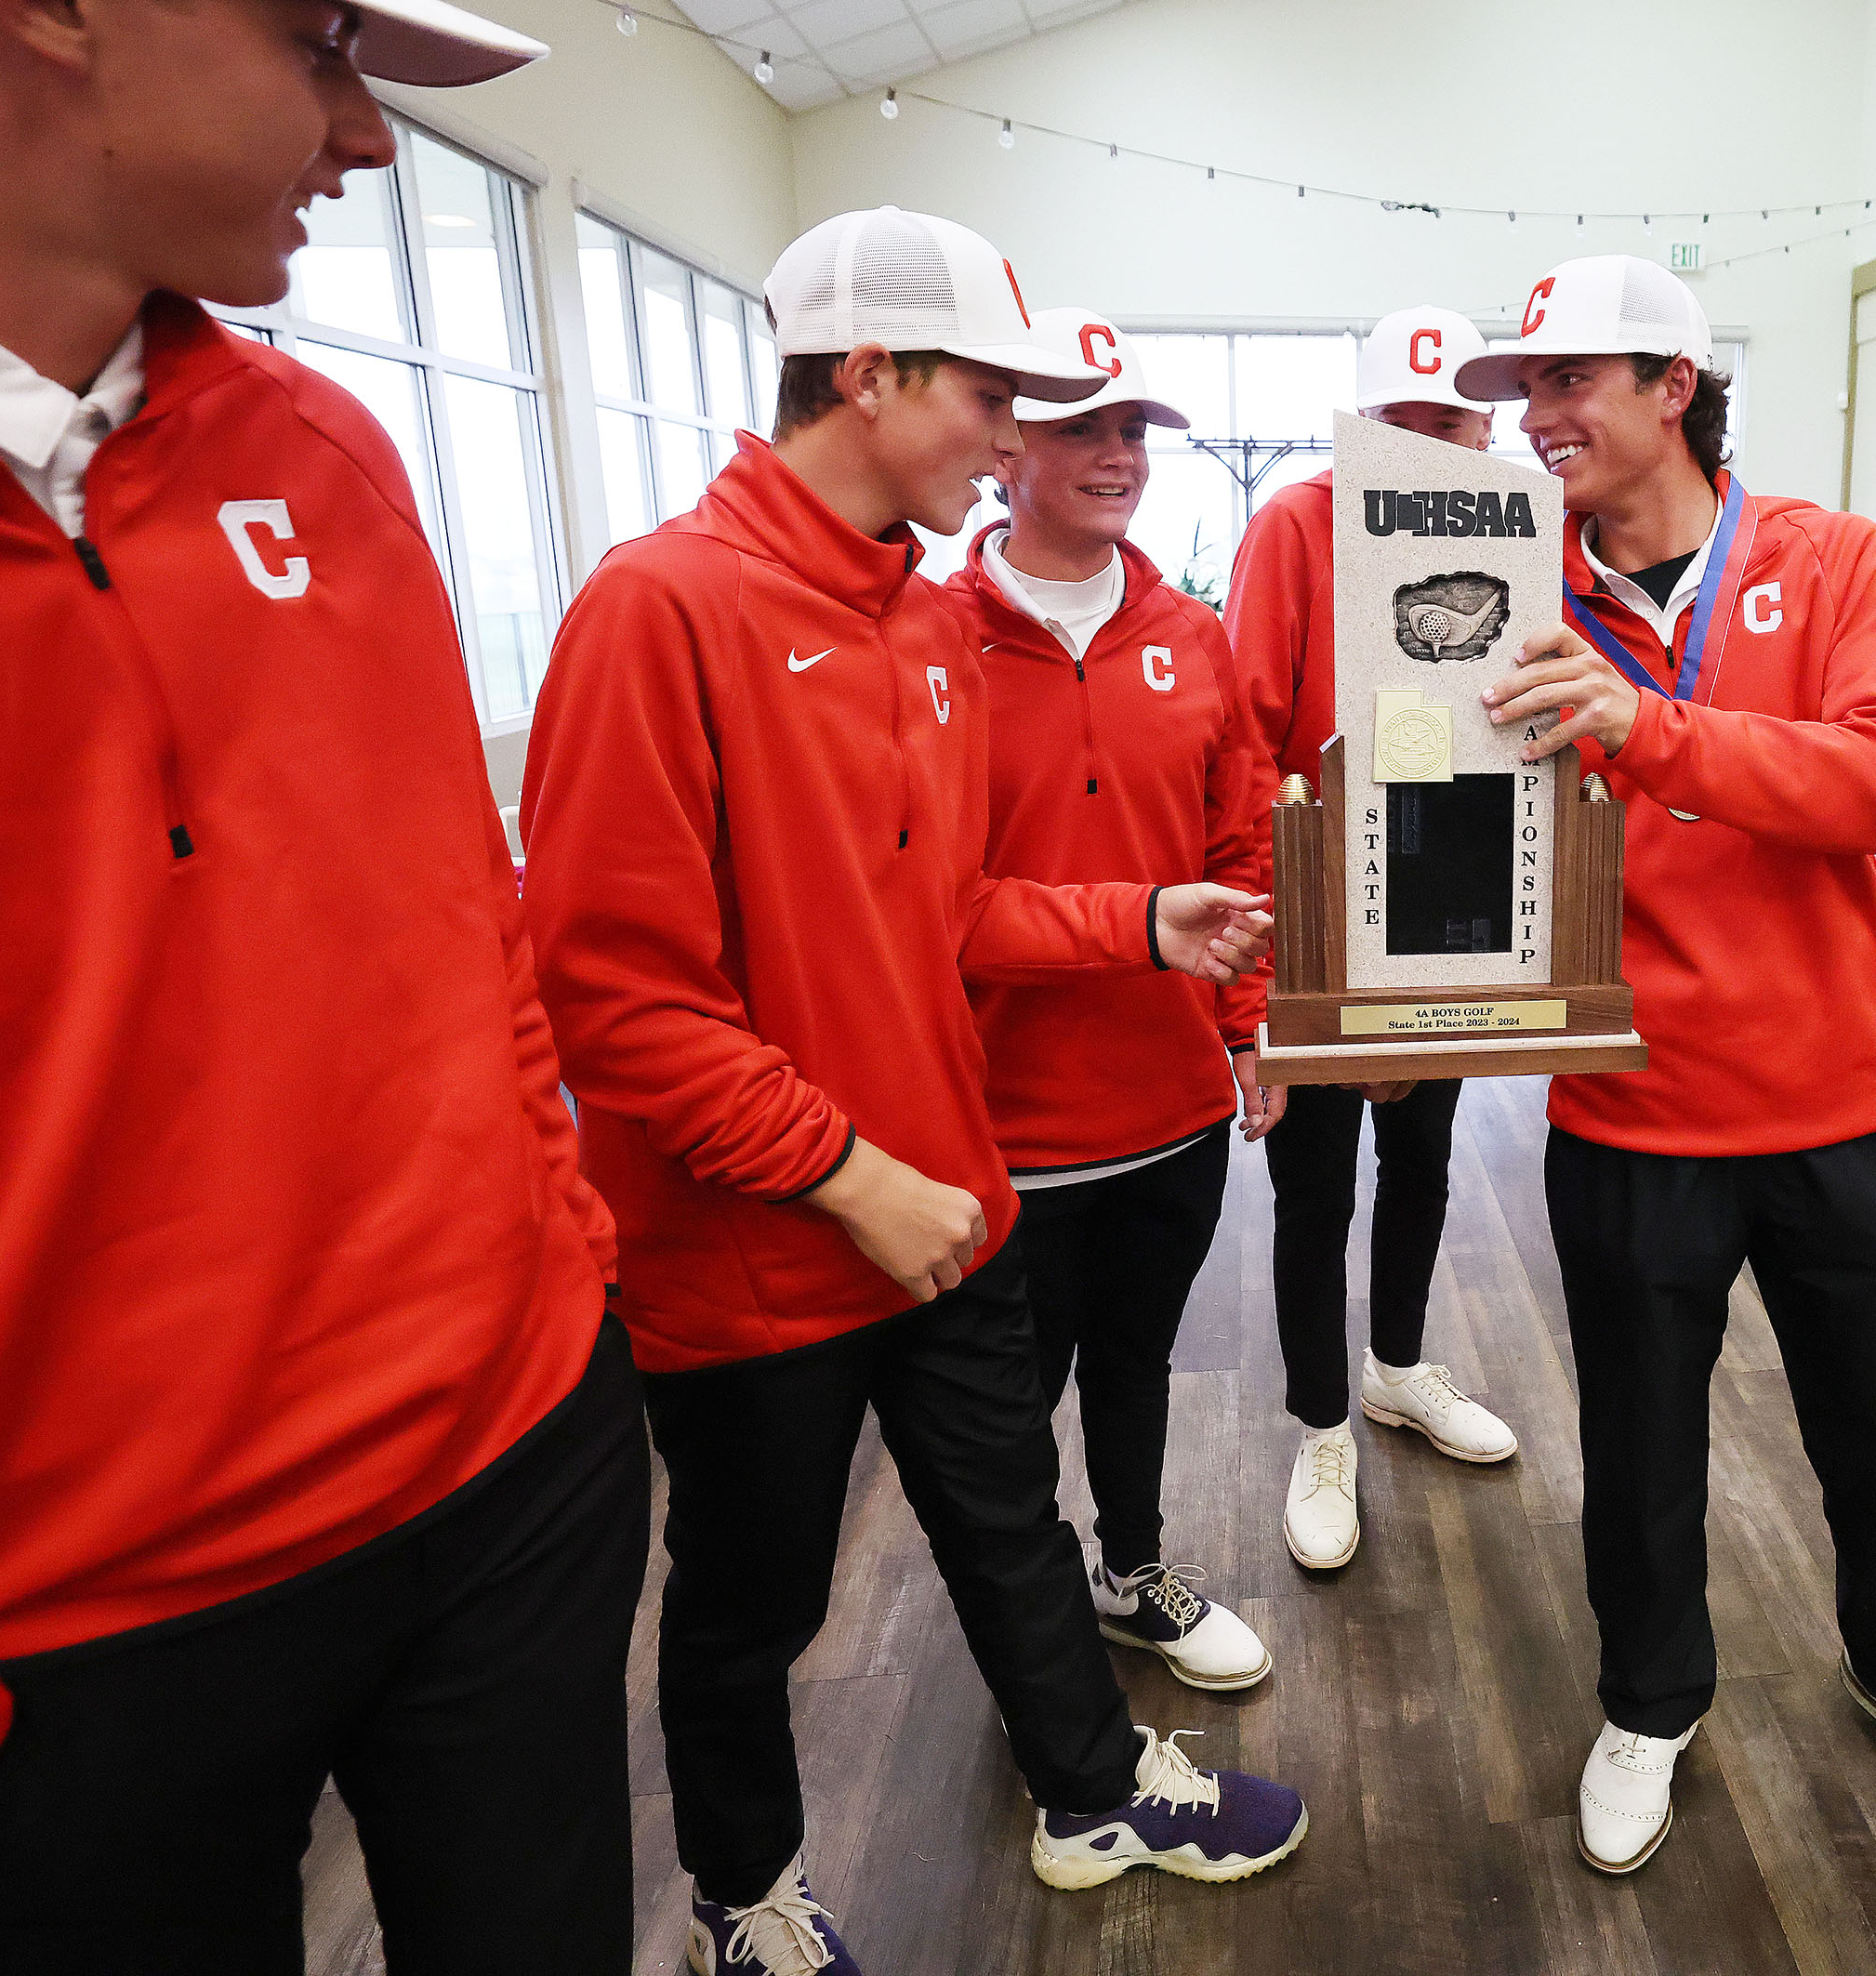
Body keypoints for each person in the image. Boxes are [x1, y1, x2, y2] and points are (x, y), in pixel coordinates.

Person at [523, 208, 1305, 1976]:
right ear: (868, 377)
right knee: (753, 1605)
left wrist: (1145, 917)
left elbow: (947, 913)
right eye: (992, 397)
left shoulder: (919, 629)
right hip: (758, 1251)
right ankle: (745, 1890)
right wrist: (843, 1171)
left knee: (1013, 1528)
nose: (1014, 435)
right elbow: (613, 996)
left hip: (950, 1205)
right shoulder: (659, 610)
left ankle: (1095, 1784)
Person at [0, 1, 650, 1968]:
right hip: (84, 1616)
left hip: (504, 1466)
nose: (365, 137)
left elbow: (473, 919)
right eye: (317, 43)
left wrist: (560, 1276)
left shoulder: (329, 449)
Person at [1456, 256, 1876, 1867]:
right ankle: (1648, 1701)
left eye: (1575, 380)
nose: (1539, 413)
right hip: (1630, 1106)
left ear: (1674, 388)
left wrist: (1653, 732)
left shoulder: (1826, 556)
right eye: (1526, 387)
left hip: (1845, 1103)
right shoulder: (1499, 586)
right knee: (1640, 1453)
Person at [945, 308, 1276, 1692]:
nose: (1119, 453)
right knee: (1003, 1413)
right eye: (1084, 423)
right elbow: (914, 893)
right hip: (992, 1124)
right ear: (1004, 440)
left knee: (1136, 1366)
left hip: (1167, 1111)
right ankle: (1035, 1650)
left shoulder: (1193, 638)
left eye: (1135, 428)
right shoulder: (924, 635)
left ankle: (1134, 1572)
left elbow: (1240, 848)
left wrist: (1250, 1026)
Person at [1222, 304, 1520, 1575]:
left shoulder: (1504, 528)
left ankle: (1395, 1365)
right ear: (1360, 429)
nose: (1429, 445)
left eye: (1452, 423)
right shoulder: (1297, 525)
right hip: (1316, 911)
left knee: (1424, 1155)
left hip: (1443, 897)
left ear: (1484, 429)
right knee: (1313, 1183)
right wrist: (1269, 974)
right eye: (1402, 424)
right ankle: (1322, 1422)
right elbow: (1244, 745)